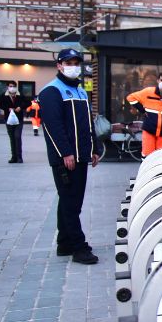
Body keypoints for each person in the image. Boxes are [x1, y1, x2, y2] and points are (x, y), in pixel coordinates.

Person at [38, 49, 103, 264]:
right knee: (71, 202)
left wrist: (94, 148)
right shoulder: (51, 91)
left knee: (70, 200)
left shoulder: (81, 91)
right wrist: (65, 152)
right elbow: (53, 127)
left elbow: (88, 124)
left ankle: (64, 242)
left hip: (81, 156)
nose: (73, 67)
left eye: (76, 63)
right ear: (59, 65)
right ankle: (78, 247)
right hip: (65, 158)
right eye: (68, 63)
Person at [126, 72, 162, 156]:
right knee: (147, 155)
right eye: (161, 80)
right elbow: (130, 97)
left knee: (161, 156)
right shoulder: (148, 92)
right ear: (158, 81)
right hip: (149, 130)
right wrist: (142, 110)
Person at [0, 80, 31, 164]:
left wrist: (20, 107)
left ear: (16, 87)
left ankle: (19, 157)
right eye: (10, 86)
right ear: (7, 87)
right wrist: (7, 108)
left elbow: (28, 103)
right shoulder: (3, 95)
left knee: (17, 136)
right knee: (12, 138)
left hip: (18, 119)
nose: (12, 88)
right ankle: (13, 157)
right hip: (8, 119)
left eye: (13, 86)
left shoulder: (20, 95)